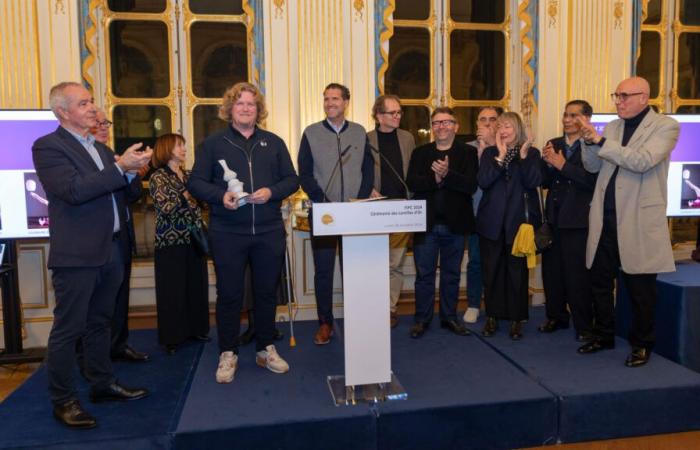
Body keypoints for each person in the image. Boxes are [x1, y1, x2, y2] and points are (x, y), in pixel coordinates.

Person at [32, 81, 150, 428]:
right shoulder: (48, 147)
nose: (92, 108)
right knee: (69, 330)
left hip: (110, 248)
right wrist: (119, 168)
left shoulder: (98, 149)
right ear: (63, 112)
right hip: (77, 255)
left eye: (91, 102)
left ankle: (101, 384)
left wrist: (130, 171)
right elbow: (74, 190)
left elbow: (119, 194)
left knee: (101, 323)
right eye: (84, 103)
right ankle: (64, 399)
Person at [188, 82, 298, 383]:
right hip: (227, 232)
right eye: (240, 104)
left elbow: (292, 180)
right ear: (230, 109)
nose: (246, 108)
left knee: (265, 293)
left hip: (268, 230)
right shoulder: (213, 144)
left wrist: (272, 191)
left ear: (258, 109)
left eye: (251, 104)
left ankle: (265, 348)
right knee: (230, 295)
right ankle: (228, 352)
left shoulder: (274, 142)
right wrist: (219, 195)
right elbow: (195, 183)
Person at [577, 76, 679, 367]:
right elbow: (593, 166)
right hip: (604, 219)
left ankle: (642, 344)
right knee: (599, 281)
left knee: (640, 289)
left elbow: (642, 161)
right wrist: (588, 143)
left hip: (637, 219)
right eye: (616, 95)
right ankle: (603, 334)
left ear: (644, 97)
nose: (618, 101)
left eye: (624, 96)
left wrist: (600, 141)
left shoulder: (665, 127)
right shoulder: (612, 127)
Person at [298, 83, 374, 345]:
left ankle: (356, 320)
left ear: (346, 102)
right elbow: (304, 174)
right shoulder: (310, 133)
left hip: (355, 213)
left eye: (335, 98)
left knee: (354, 270)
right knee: (324, 271)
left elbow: (368, 169)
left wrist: (359, 200)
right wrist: (323, 201)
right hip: (324, 213)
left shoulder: (359, 132)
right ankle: (325, 323)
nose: (330, 103)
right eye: (326, 98)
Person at [406, 107, 478, 338]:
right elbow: (413, 183)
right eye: (437, 122)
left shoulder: (468, 153)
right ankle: (421, 319)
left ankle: (450, 318)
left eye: (447, 122)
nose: (441, 126)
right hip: (425, 224)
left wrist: (447, 174)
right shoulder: (420, 153)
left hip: (455, 225)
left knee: (452, 274)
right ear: (432, 128)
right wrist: (434, 177)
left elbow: (470, 186)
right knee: (424, 275)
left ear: (456, 126)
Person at [477, 112, 542, 340]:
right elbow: (483, 182)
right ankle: (492, 317)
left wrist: (522, 158)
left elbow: (534, 182)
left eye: (509, 127)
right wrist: (500, 158)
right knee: (491, 272)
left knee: (517, 274)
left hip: (519, 225)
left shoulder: (531, 153)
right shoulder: (489, 153)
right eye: (500, 126)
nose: (503, 131)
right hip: (491, 223)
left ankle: (516, 319)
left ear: (518, 130)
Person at [91, 109, 149, 362]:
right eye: (98, 122)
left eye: (107, 122)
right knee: (96, 306)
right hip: (94, 243)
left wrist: (129, 171)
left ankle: (118, 345)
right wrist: (120, 168)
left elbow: (134, 194)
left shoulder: (114, 156)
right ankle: (95, 355)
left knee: (121, 295)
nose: (104, 127)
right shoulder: (86, 159)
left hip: (122, 238)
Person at [539, 100, 597, 342]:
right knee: (552, 273)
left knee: (577, 276)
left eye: (573, 115)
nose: (566, 119)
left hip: (578, 220)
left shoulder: (593, 145)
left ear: (585, 119)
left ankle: (584, 325)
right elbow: (544, 182)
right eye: (565, 114)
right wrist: (548, 165)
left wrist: (562, 165)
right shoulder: (554, 143)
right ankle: (556, 317)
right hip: (554, 218)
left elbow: (592, 182)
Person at [149, 133, 210, 355]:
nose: (184, 149)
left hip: (194, 238)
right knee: (172, 290)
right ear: (167, 149)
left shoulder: (187, 174)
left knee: (196, 285)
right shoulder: (158, 177)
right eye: (179, 145)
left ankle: (197, 329)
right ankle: (172, 338)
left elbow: (201, 202)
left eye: (184, 145)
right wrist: (186, 193)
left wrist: (192, 192)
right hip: (170, 241)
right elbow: (165, 207)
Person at [367, 94, 416, 328]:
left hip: (401, 208)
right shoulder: (365, 139)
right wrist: (368, 188)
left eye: (399, 112)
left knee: (395, 263)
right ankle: (372, 305)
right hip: (374, 209)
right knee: (375, 262)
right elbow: (359, 171)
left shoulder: (407, 138)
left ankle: (390, 307)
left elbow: (412, 170)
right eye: (392, 113)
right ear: (379, 116)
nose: (397, 116)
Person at [463, 106, 502, 324]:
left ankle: (499, 304)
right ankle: (473, 304)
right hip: (476, 214)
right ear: (477, 124)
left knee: (500, 263)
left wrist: (492, 149)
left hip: (501, 216)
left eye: (492, 119)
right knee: (476, 261)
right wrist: (480, 155)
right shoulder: (467, 149)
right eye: (483, 120)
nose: (487, 123)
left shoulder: (506, 148)